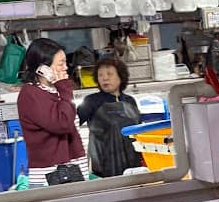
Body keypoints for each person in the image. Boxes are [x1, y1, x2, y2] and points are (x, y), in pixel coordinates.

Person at [16, 38, 88, 186]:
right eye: (61, 63)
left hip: (73, 171)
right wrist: (64, 88)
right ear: (43, 68)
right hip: (50, 176)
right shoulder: (31, 94)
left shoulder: (57, 90)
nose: (66, 67)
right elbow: (62, 124)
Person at [77, 56, 143, 178]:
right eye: (100, 75)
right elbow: (72, 125)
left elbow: (139, 132)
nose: (104, 78)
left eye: (109, 74)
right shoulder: (91, 101)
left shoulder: (130, 101)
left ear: (120, 77)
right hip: (104, 165)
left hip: (133, 163)